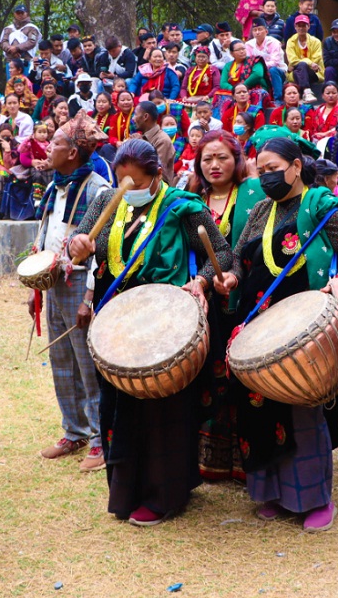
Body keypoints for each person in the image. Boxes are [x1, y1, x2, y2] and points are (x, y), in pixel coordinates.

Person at [67, 139, 232, 526]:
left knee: (161, 409)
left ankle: (165, 494)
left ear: (157, 175)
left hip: (163, 322)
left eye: (136, 181)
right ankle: (126, 491)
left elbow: (222, 255)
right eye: (122, 179)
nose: (128, 188)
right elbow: (81, 246)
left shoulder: (181, 207)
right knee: (117, 407)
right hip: (117, 319)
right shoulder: (107, 200)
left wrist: (203, 281)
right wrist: (78, 242)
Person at [215, 135, 338, 531]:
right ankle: (273, 491)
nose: (266, 176)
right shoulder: (259, 210)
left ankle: (314, 497)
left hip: (303, 329)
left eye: (273, 169)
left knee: (301, 407)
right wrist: (232, 277)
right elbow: (237, 256)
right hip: (256, 323)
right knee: (260, 407)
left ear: (297, 167)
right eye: (260, 170)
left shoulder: (323, 207)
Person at [29, 113, 112, 471]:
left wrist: (89, 297)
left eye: (57, 142)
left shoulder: (97, 189)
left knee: (86, 362)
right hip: (53, 281)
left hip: (80, 282)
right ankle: (74, 430)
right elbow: (47, 231)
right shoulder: (54, 186)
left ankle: (99, 437)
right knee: (61, 359)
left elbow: (99, 249)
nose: (50, 146)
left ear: (75, 151)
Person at [188, 129, 260, 480]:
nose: (214, 165)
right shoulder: (189, 198)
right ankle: (210, 461)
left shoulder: (254, 195)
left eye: (222, 158)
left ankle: (243, 458)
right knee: (208, 375)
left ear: (237, 160)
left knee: (242, 375)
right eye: (207, 159)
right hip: (203, 302)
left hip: (244, 299)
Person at [133, 100, 176, 179]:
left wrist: (138, 146)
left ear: (145, 117)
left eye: (135, 114)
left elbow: (153, 170)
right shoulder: (142, 137)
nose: (133, 119)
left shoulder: (162, 140)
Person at [285, 14, 324, 100]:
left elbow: (316, 59)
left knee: (300, 67)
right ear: (295, 27)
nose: (301, 28)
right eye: (299, 26)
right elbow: (293, 60)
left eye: (304, 25)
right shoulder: (290, 41)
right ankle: (307, 91)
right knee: (301, 67)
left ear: (308, 26)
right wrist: (309, 62)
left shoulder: (316, 41)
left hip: (314, 72)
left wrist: (302, 63)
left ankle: (305, 92)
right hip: (297, 72)